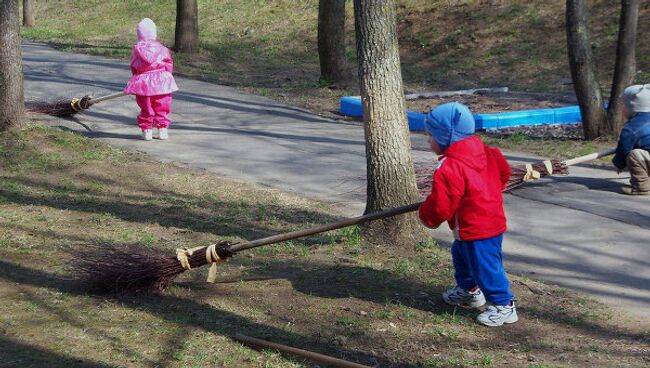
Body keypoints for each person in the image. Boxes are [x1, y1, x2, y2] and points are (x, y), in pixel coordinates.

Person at [418, 102, 517, 327]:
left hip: (476, 227)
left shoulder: (450, 167)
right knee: (461, 255)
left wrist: (426, 216)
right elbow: (504, 172)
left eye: (431, 135)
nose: (428, 140)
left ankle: (504, 305)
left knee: (486, 266)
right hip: (484, 222)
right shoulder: (488, 152)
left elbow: (441, 204)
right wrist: (489, 191)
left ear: (446, 137)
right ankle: (469, 291)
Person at [124, 18, 178, 141]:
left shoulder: (136, 51)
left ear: (139, 35)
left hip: (144, 83)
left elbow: (133, 67)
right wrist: (167, 76)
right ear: (154, 33)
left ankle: (147, 130)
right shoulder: (162, 49)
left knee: (146, 107)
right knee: (162, 105)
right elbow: (168, 64)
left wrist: (136, 78)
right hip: (162, 81)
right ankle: (162, 130)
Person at [612, 84, 650, 195]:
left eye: (623, 105)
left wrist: (619, 164)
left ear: (633, 107)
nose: (621, 108)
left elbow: (624, 148)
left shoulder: (632, 128)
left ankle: (641, 188)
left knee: (634, 155)